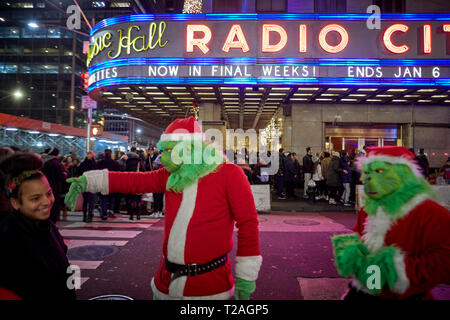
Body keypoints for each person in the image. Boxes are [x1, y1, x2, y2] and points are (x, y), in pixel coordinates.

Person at [65, 116, 261, 300]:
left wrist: (246, 276)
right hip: (165, 282)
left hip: (210, 285)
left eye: (171, 150)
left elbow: (248, 223)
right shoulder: (171, 174)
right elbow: (133, 181)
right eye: (164, 150)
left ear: (190, 148)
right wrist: (87, 180)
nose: (163, 157)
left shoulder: (229, 174)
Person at [332, 146, 450, 300]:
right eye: (367, 172)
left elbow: (445, 261)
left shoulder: (429, 212)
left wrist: (395, 269)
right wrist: (353, 254)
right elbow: (361, 239)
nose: (368, 179)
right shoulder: (368, 209)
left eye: (380, 171)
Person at [0, 152, 76, 300]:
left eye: (49, 193)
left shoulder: (48, 226)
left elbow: (65, 270)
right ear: (15, 202)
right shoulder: (6, 239)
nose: (46, 202)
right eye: (35, 198)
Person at [41, 147, 68, 223]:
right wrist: (66, 174)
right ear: (57, 154)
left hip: (43, 187)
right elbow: (62, 177)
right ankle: (52, 224)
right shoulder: (56, 163)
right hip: (55, 188)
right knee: (54, 207)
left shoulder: (42, 162)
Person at [97, 149, 121, 220]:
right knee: (112, 198)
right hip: (112, 182)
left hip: (102, 182)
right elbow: (118, 173)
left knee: (103, 199)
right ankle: (111, 210)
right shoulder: (115, 163)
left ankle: (104, 214)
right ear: (111, 154)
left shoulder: (100, 163)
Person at [126, 147, 144, 220]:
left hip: (131, 182)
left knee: (132, 199)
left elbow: (125, 171)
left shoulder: (128, 162)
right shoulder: (140, 162)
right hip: (138, 182)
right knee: (138, 199)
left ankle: (131, 216)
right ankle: (138, 216)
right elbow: (144, 170)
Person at [79, 151, 97, 222]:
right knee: (91, 201)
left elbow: (79, 173)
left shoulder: (83, 164)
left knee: (86, 201)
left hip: (84, 184)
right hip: (92, 184)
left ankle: (84, 216)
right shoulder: (94, 164)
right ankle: (89, 215)